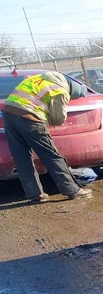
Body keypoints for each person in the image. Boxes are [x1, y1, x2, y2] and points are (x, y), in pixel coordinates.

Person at [2, 71, 93, 203]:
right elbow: (58, 118)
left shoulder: (38, 78)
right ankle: (72, 189)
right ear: (72, 93)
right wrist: (50, 121)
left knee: (21, 158)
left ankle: (34, 195)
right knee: (51, 155)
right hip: (29, 117)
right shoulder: (61, 91)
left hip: (8, 114)